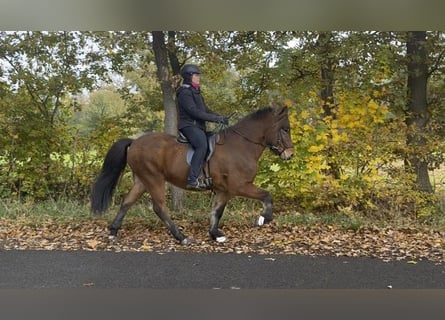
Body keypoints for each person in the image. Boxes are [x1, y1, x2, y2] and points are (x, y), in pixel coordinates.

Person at [176, 64, 229, 190]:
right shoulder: (184, 93)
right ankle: (192, 179)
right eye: (196, 75)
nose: (198, 77)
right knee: (202, 145)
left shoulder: (196, 91)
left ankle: (208, 175)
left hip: (198, 126)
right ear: (189, 77)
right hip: (189, 125)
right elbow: (194, 112)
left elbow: (205, 110)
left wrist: (220, 117)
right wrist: (215, 119)